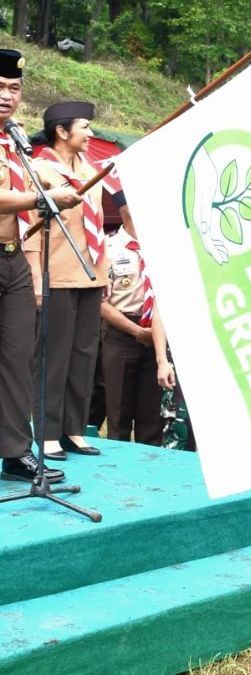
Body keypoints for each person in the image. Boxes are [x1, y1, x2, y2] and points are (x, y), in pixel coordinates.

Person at [0, 49, 78, 483]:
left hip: (12, 261)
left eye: (13, 88)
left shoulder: (13, 140)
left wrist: (49, 180)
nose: (6, 96)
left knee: (17, 359)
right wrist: (41, 198)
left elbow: (30, 179)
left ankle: (14, 451)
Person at [26, 100, 108, 461]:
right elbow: (29, 226)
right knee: (53, 357)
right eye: (85, 126)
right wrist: (35, 280)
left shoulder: (91, 169)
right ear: (62, 131)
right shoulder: (39, 169)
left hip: (91, 273)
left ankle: (75, 429)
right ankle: (46, 433)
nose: (91, 133)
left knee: (84, 355)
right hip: (56, 273)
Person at [99, 190, 162, 445]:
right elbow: (100, 303)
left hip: (157, 334)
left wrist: (154, 335)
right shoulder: (109, 247)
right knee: (119, 414)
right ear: (126, 211)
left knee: (153, 417)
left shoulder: (161, 249)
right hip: (121, 334)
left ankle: (153, 474)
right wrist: (136, 332)